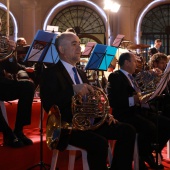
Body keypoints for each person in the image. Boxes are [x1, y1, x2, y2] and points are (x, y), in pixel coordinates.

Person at [40, 32, 136, 170]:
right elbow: (48, 104)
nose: (79, 48)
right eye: (74, 44)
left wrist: (103, 115)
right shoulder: (51, 73)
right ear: (61, 49)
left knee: (128, 130)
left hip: (90, 123)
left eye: (79, 44)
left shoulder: (81, 73)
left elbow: (90, 101)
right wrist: (72, 90)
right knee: (99, 143)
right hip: (69, 128)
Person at [107, 52, 170, 169]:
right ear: (126, 63)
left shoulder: (133, 77)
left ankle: (147, 152)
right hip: (125, 114)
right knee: (150, 127)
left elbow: (142, 90)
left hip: (139, 111)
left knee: (166, 124)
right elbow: (114, 101)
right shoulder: (115, 77)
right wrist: (133, 100)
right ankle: (142, 156)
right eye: (135, 61)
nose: (137, 64)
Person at [0, 18, 35, 148]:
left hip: (1, 83)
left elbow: (12, 69)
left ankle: (19, 130)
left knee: (28, 86)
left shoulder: (2, 43)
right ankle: (7, 133)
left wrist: (10, 54)